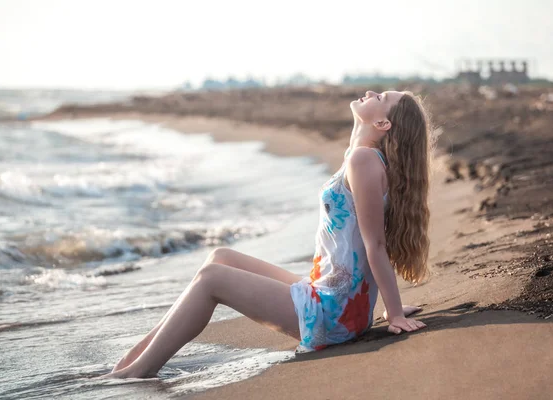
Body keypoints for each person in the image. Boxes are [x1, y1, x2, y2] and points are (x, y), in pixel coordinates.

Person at [101, 90, 431, 379]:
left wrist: (395, 313)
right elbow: (366, 244)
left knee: (212, 278)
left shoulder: (364, 160)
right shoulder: (358, 155)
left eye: (381, 99)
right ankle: (129, 361)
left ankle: (138, 371)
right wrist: (390, 307)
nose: (372, 92)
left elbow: (374, 243)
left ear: (383, 125)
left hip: (331, 315)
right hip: (328, 297)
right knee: (221, 257)